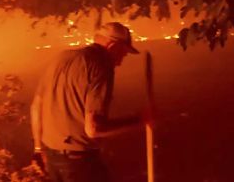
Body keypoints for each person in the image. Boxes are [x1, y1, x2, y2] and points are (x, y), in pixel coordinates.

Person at [30, 22, 150, 182]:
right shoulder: (101, 66)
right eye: (123, 53)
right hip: (79, 163)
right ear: (112, 46)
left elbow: (36, 106)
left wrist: (38, 149)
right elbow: (94, 128)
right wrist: (140, 119)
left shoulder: (61, 58)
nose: (121, 61)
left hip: (52, 158)